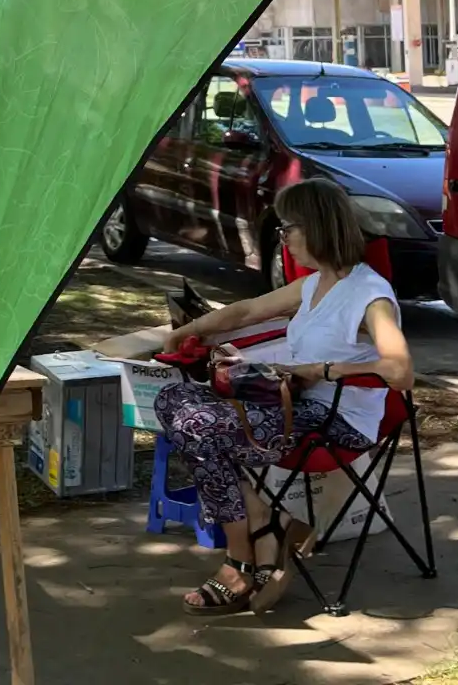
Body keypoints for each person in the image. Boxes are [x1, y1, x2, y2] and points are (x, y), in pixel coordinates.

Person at [154, 178, 413, 616]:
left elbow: (400, 371)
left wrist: (323, 370)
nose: (283, 238)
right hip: (295, 407)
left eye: (287, 228)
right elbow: (247, 311)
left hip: (337, 422)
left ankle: (240, 558)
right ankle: (263, 522)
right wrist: (184, 332)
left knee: (200, 426)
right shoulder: (315, 284)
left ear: (316, 227)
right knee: (173, 400)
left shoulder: (371, 296)